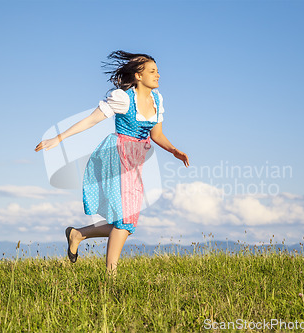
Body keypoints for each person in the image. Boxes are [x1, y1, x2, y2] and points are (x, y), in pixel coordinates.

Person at [35, 51, 189, 275]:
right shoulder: (124, 97)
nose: (158, 75)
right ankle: (111, 277)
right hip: (117, 156)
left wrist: (174, 150)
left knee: (126, 224)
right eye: (152, 71)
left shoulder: (157, 99)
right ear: (138, 75)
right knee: (126, 220)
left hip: (137, 160)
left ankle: (77, 234)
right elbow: (91, 120)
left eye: (157, 71)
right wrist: (58, 138)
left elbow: (157, 134)